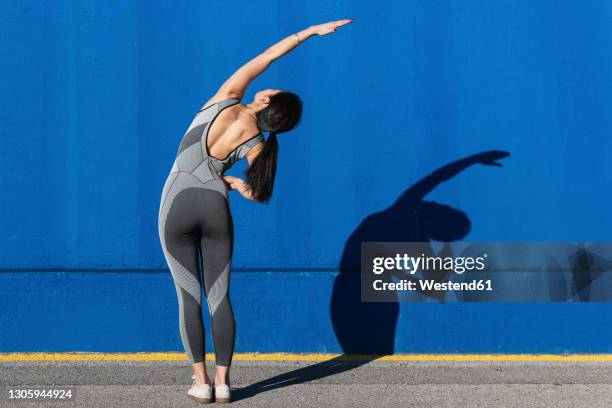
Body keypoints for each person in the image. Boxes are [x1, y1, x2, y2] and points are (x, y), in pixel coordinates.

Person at [157, 19, 352, 403]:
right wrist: (227, 182)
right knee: (220, 297)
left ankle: (200, 383)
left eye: (273, 89)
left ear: (264, 101)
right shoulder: (259, 145)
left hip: (176, 204)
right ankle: (225, 383)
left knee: (189, 297)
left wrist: (309, 32)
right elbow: (254, 192)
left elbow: (266, 57)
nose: (269, 85)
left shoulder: (226, 97)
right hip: (216, 207)